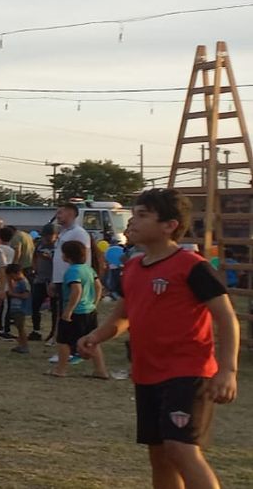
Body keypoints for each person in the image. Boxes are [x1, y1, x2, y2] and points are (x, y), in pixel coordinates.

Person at [81, 189, 238, 489]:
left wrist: (228, 369)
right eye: (134, 214)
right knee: (160, 455)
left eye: (143, 215)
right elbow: (123, 317)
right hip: (147, 373)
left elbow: (226, 317)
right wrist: (96, 335)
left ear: (170, 225)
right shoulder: (133, 267)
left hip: (187, 372)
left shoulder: (192, 265)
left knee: (181, 449)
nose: (133, 222)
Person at [49, 241, 109, 379]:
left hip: (76, 312)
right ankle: (100, 370)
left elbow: (76, 290)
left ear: (67, 256)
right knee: (92, 341)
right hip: (89, 310)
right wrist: (94, 302)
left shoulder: (72, 271)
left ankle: (61, 369)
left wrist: (69, 310)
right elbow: (98, 286)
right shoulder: (88, 269)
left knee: (63, 341)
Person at [29, 225, 58, 341]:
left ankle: (54, 332)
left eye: (49, 236)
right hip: (40, 279)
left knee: (54, 308)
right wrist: (35, 268)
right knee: (35, 305)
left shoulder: (58, 246)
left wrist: (49, 258)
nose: (47, 238)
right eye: (45, 236)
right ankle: (36, 330)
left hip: (52, 279)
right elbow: (34, 256)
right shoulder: (40, 244)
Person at [4, 264, 32, 355]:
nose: (12, 278)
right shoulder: (17, 282)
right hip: (15, 308)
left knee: (21, 328)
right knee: (18, 327)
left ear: (18, 273)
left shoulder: (24, 282)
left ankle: (25, 345)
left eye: (12, 276)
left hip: (21, 308)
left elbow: (26, 295)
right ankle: (20, 344)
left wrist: (14, 295)